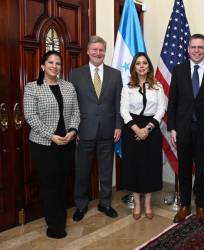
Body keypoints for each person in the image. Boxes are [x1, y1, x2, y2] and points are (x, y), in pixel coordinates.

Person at [167, 34, 204, 224]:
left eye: (200, 47)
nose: (197, 50)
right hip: (182, 129)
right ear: (188, 49)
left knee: (201, 169)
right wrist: (172, 127)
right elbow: (173, 101)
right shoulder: (179, 70)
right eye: (193, 47)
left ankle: (200, 206)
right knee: (183, 169)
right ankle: (185, 206)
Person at [23, 51, 80, 238]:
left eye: (58, 63)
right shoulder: (33, 87)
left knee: (62, 183)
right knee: (50, 185)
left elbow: (76, 112)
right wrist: (51, 136)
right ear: (42, 66)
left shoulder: (68, 86)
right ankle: (55, 225)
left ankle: (60, 218)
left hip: (67, 143)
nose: (54, 66)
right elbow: (31, 116)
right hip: (44, 145)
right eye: (50, 62)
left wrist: (72, 130)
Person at [70, 35, 122, 221]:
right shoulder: (76, 74)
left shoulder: (115, 74)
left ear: (104, 52)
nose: (98, 53)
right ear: (88, 51)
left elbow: (118, 102)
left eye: (101, 50)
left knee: (106, 169)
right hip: (84, 130)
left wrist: (118, 126)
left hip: (108, 130)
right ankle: (81, 205)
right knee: (82, 170)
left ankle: (105, 203)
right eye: (94, 49)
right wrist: (73, 128)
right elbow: (72, 104)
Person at [120, 52, 166, 220]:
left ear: (149, 66)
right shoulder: (127, 87)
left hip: (152, 128)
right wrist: (137, 130)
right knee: (134, 166)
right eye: (138, 63)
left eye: (144, 63)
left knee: (150, 167)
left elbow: (161, 109)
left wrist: (147, 129)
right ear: (134, 67)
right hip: (132, 128)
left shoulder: (158, 86)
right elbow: (124, 110)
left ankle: (148, 203)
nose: (141, 66)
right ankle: (137, 203)